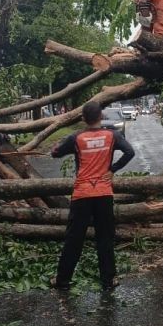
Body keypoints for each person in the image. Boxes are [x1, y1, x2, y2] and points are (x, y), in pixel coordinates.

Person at [50, 102, 135, 291]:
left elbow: (55, 153)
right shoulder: (112, 136)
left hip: (82, 194)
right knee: (105, 238)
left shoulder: (76, 138)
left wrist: (56, 147)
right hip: (104, 194)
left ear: (83, 119)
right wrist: (113, 169)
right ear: (101, 117)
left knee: (74, 238)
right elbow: (130, 152)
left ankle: (62, 280)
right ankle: (108, 280)